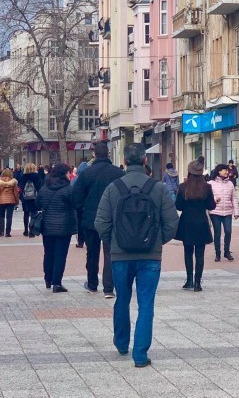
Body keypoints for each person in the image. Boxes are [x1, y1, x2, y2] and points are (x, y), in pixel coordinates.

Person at [95, 143, 179, 367]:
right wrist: (156, 242)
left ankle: (122, 343)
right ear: (145, 161)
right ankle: (140, 354)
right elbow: (172, 223)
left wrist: (114, 241)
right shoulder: (158, 188)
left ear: (124, 160)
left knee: (121, 298)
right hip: (150, 256)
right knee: (146, 304)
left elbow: (101, 222)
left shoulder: (114, 188)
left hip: (120, 255)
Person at [72, 142, 124, 298]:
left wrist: (84, 209)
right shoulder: (118, 173)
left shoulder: (87, 174)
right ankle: (109, 287)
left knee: (92, 252)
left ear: (94, 155)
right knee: (110, 253)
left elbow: (76, 198)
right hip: (111, 218)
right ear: (108, 154)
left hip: (90, 219)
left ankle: (92, 284)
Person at [175, 156, 217, 290]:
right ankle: (198, 282)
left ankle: (189, 281)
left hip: (186, 222)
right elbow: (211, 206)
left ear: (189, 172)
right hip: (201, 223)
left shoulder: (183, 187)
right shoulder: (207, 187)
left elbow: (178, 206)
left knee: (188, 252)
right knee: (200, 254)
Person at [37, 164, 77, 293]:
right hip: (64, 226)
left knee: (48, 253)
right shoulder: (68, 189)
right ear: (64, 174)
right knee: (61, 254)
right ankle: (57, 282)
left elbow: (38, 203)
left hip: (47, 226)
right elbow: (75, 204)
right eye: (67, 173)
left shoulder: (44, 188)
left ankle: (48, 279)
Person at [209, 163, 239, 262]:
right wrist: (214, 199)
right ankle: (218, 253)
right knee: (217, 233)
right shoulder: (211, 183)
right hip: (215, 212)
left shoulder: (230, 183)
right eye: (224, 170)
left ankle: (227, 252)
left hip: (227, 212)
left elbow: (234, 198)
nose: (227, 172)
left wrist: (236, 211)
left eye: (227, 170)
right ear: (219, 171)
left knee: (228, 231)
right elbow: (208, 197)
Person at [0, 168, 19, 237]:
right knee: (9, 217)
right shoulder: (13, 182)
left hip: (1, 201)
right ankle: (8, 232)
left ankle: (1, 232)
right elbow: (16, 193)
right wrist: (17, 201)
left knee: (1, 216)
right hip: (11, 201)